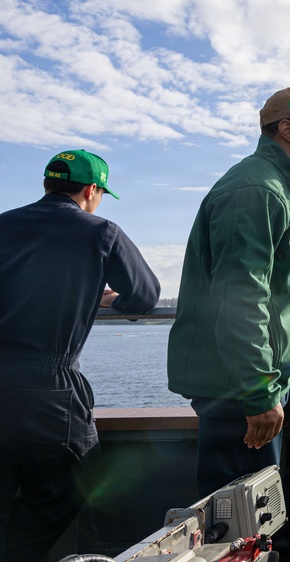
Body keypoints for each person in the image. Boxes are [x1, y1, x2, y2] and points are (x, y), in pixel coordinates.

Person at [167, 87, 290, 557]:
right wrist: (258, 393)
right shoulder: (255, 191)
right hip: (235, 374)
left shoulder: (278, 190)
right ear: (288, 130)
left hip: (279, 357)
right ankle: (266, 543)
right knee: (239, 522)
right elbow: (240, 298)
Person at [0, 150, 161, 562]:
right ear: (92, 190)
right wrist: (106, 301)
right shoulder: (100, 232)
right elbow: (144, 295)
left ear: (45, 184)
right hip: (47, 389)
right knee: (76, 479)